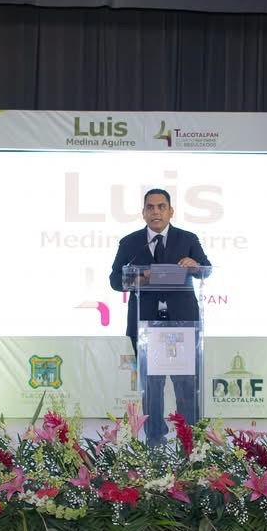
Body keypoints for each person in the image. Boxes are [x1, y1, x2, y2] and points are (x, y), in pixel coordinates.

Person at [109, 188, 211, 445]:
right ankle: (154, 439)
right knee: (152, 386)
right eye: (151, 207)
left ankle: (190, 440)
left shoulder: (187, 239)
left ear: (170, 211)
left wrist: (195, 266)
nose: (156, 212)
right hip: (146, 324)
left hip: (183, 323)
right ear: (143, 212)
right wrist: (139, 277)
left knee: (185, 383)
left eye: (161, 206)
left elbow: (206, 270)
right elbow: (115, 281)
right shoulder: (130, 242)